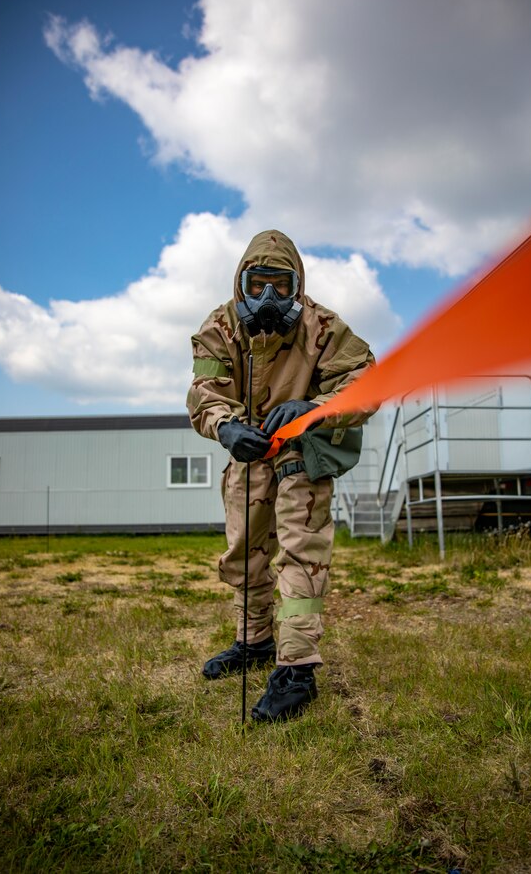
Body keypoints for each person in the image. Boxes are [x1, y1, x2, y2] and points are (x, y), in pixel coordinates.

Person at [186, 229, 375, 722]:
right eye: (257, 286)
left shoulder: (324, 326)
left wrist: (313, 408)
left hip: (301, 455)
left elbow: (366, 383)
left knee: (300, 556)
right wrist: (226, 428)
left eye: (281, 286)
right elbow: (205, 391)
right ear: (240, 283)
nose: (268, 297)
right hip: (248, 458)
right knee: (243, 554)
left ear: (298, 285)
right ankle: (254, 643)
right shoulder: (220, 327)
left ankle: (297, 670)